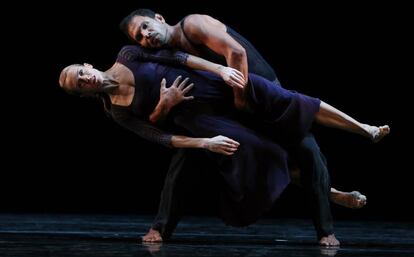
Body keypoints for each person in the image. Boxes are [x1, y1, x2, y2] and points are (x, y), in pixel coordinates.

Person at [58, 45, 389, 246]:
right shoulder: (118, 111)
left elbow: (179, 57)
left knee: (303, 130)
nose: (83, 80)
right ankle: (160, 227)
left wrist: (221, 69)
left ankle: (363, 131)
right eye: (77, 85)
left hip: (217, 89)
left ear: (86, 65)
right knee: (254, 155)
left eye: (79, 73)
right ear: (82, 94)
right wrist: (176, 115)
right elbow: (158, 135)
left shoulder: (127, 54)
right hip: (201, 121)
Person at [120, 9, 368, 244]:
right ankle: (160, 228)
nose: (146, 36)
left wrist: (241, 100)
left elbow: (236, 53)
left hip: (254, 98)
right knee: (187, 159)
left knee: (307, 151)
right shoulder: (160, 56)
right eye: (139, 37)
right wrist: (165, 104)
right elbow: (152, 122)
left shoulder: (192, 24)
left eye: (145, 26)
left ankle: (326, 230)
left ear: (159, 18)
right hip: (224, 110)